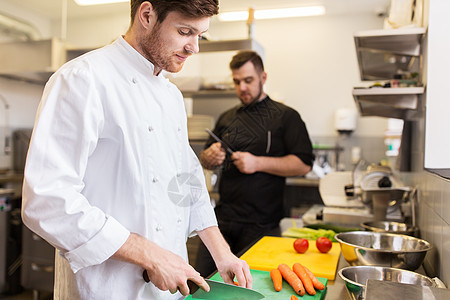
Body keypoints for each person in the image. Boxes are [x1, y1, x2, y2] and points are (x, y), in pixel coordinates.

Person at [21, 1, 252, 299]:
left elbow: (186, 180)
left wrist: (222, 254)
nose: (194, 47)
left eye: (201, 35)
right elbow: (47, 200)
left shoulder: (171, 95)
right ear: (147, 15)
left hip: (170, 286)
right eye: (185, 31)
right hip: (106, 288)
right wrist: (150, 255)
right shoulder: (83, 79)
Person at [195, 50, 315, 277]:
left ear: (263, 77)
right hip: (222, 221)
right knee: (202, 284)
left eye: (248, 80)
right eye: (237, 81)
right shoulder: (227, 117)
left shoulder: (286, 116)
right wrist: (209, 157)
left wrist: (257, 163)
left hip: (262, 225)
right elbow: (206, 159)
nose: (242, 88)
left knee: (251, 289)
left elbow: (303, 164)